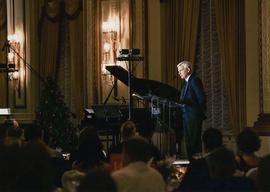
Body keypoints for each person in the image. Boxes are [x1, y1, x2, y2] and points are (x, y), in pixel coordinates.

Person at [177, 61, 206, 159]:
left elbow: (201, 98)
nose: (179, 72)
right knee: (189, 142)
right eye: (178, 71)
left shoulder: (194, 80)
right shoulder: (186, 83)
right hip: (186, 116)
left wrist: (194, 109)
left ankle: (196, 166)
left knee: (194, 142)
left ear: (188, 70)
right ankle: (192, 164)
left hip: (193, 116)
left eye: (181, 70)